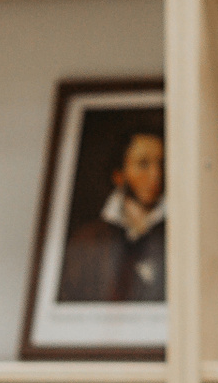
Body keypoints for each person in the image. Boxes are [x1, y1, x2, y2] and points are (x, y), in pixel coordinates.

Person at [58, 127, 165, 302]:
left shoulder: (180, 233)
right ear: (119, 175)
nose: (156, 175)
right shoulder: (88, 238)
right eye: (143, 164)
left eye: (161, 164)